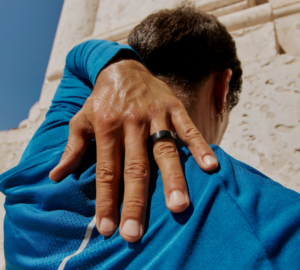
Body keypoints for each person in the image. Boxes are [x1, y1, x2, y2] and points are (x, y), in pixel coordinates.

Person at [1, 4, 300, 270]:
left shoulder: (52, 153)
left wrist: (119, 66)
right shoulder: (257, 214)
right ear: (222, 91)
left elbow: (76, 60)